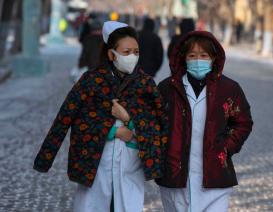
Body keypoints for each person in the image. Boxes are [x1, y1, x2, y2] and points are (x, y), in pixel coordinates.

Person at [33, 21, 167, 212]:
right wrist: (113, 131)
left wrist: (130, 125)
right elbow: (67, 117)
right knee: (92, 205)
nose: (132, 57)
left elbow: (159, 124)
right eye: (126, 52)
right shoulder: (91, 81)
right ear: (112, 54)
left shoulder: (145, 84)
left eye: (136, 52)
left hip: (130, 163)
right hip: (95, 162)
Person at [156, 31, 253, 212]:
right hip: (175, 176)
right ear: (184, 57)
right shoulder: (167, 88)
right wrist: (164, 149)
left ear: (214, 58)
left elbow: (243, 122)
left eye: (203, 55)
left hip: (215, 176)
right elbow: (154, 123)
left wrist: (226, 147)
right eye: (192, 55)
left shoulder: (229, 89)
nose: (197, 60)